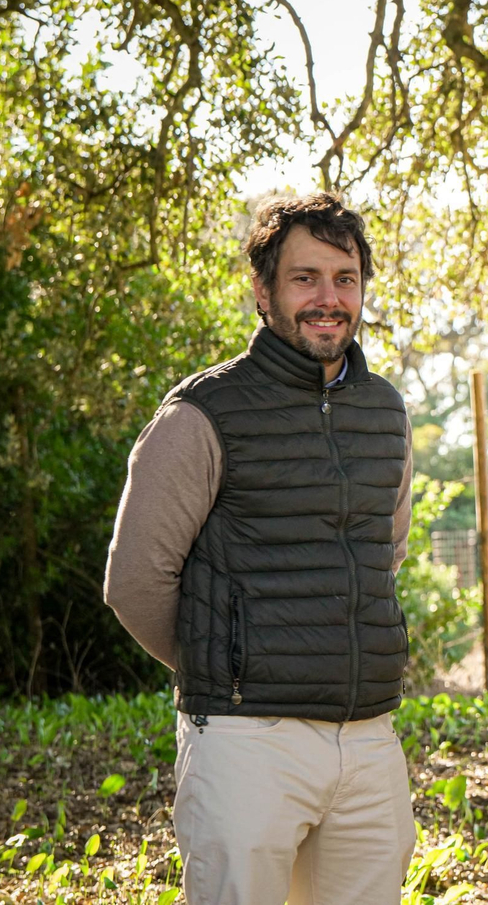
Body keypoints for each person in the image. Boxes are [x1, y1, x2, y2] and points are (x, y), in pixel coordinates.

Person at [104, 193, 416, 905]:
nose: (328, 299)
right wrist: (231, 663)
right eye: (306, 278)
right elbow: (136, 582)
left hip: (369, 739)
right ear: (263, 290)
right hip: (246, 740)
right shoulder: (201, 414)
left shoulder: (386, 411)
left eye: (345, 279)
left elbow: (385, 553)